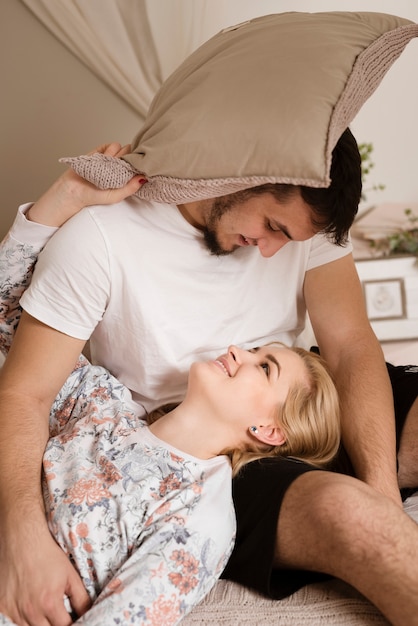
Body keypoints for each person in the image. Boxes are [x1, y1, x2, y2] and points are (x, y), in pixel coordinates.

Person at [0, 134, 418, 626]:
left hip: (294, 395)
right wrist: (22, 536)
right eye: (272, 226)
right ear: (246, 170)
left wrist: (386, 493)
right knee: (355, 517)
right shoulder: (103, 404)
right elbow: (18, 356)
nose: (271, 253)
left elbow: (349, 346)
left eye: (291, 240)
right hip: (239, 439)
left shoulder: (194, 521)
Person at [0, 209, 341, 625]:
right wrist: (54, 204)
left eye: (265, 367)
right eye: (254, 350)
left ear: (268, 430)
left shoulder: (201, 520)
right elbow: (8, 318)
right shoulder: (102, 402)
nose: (237, 351)